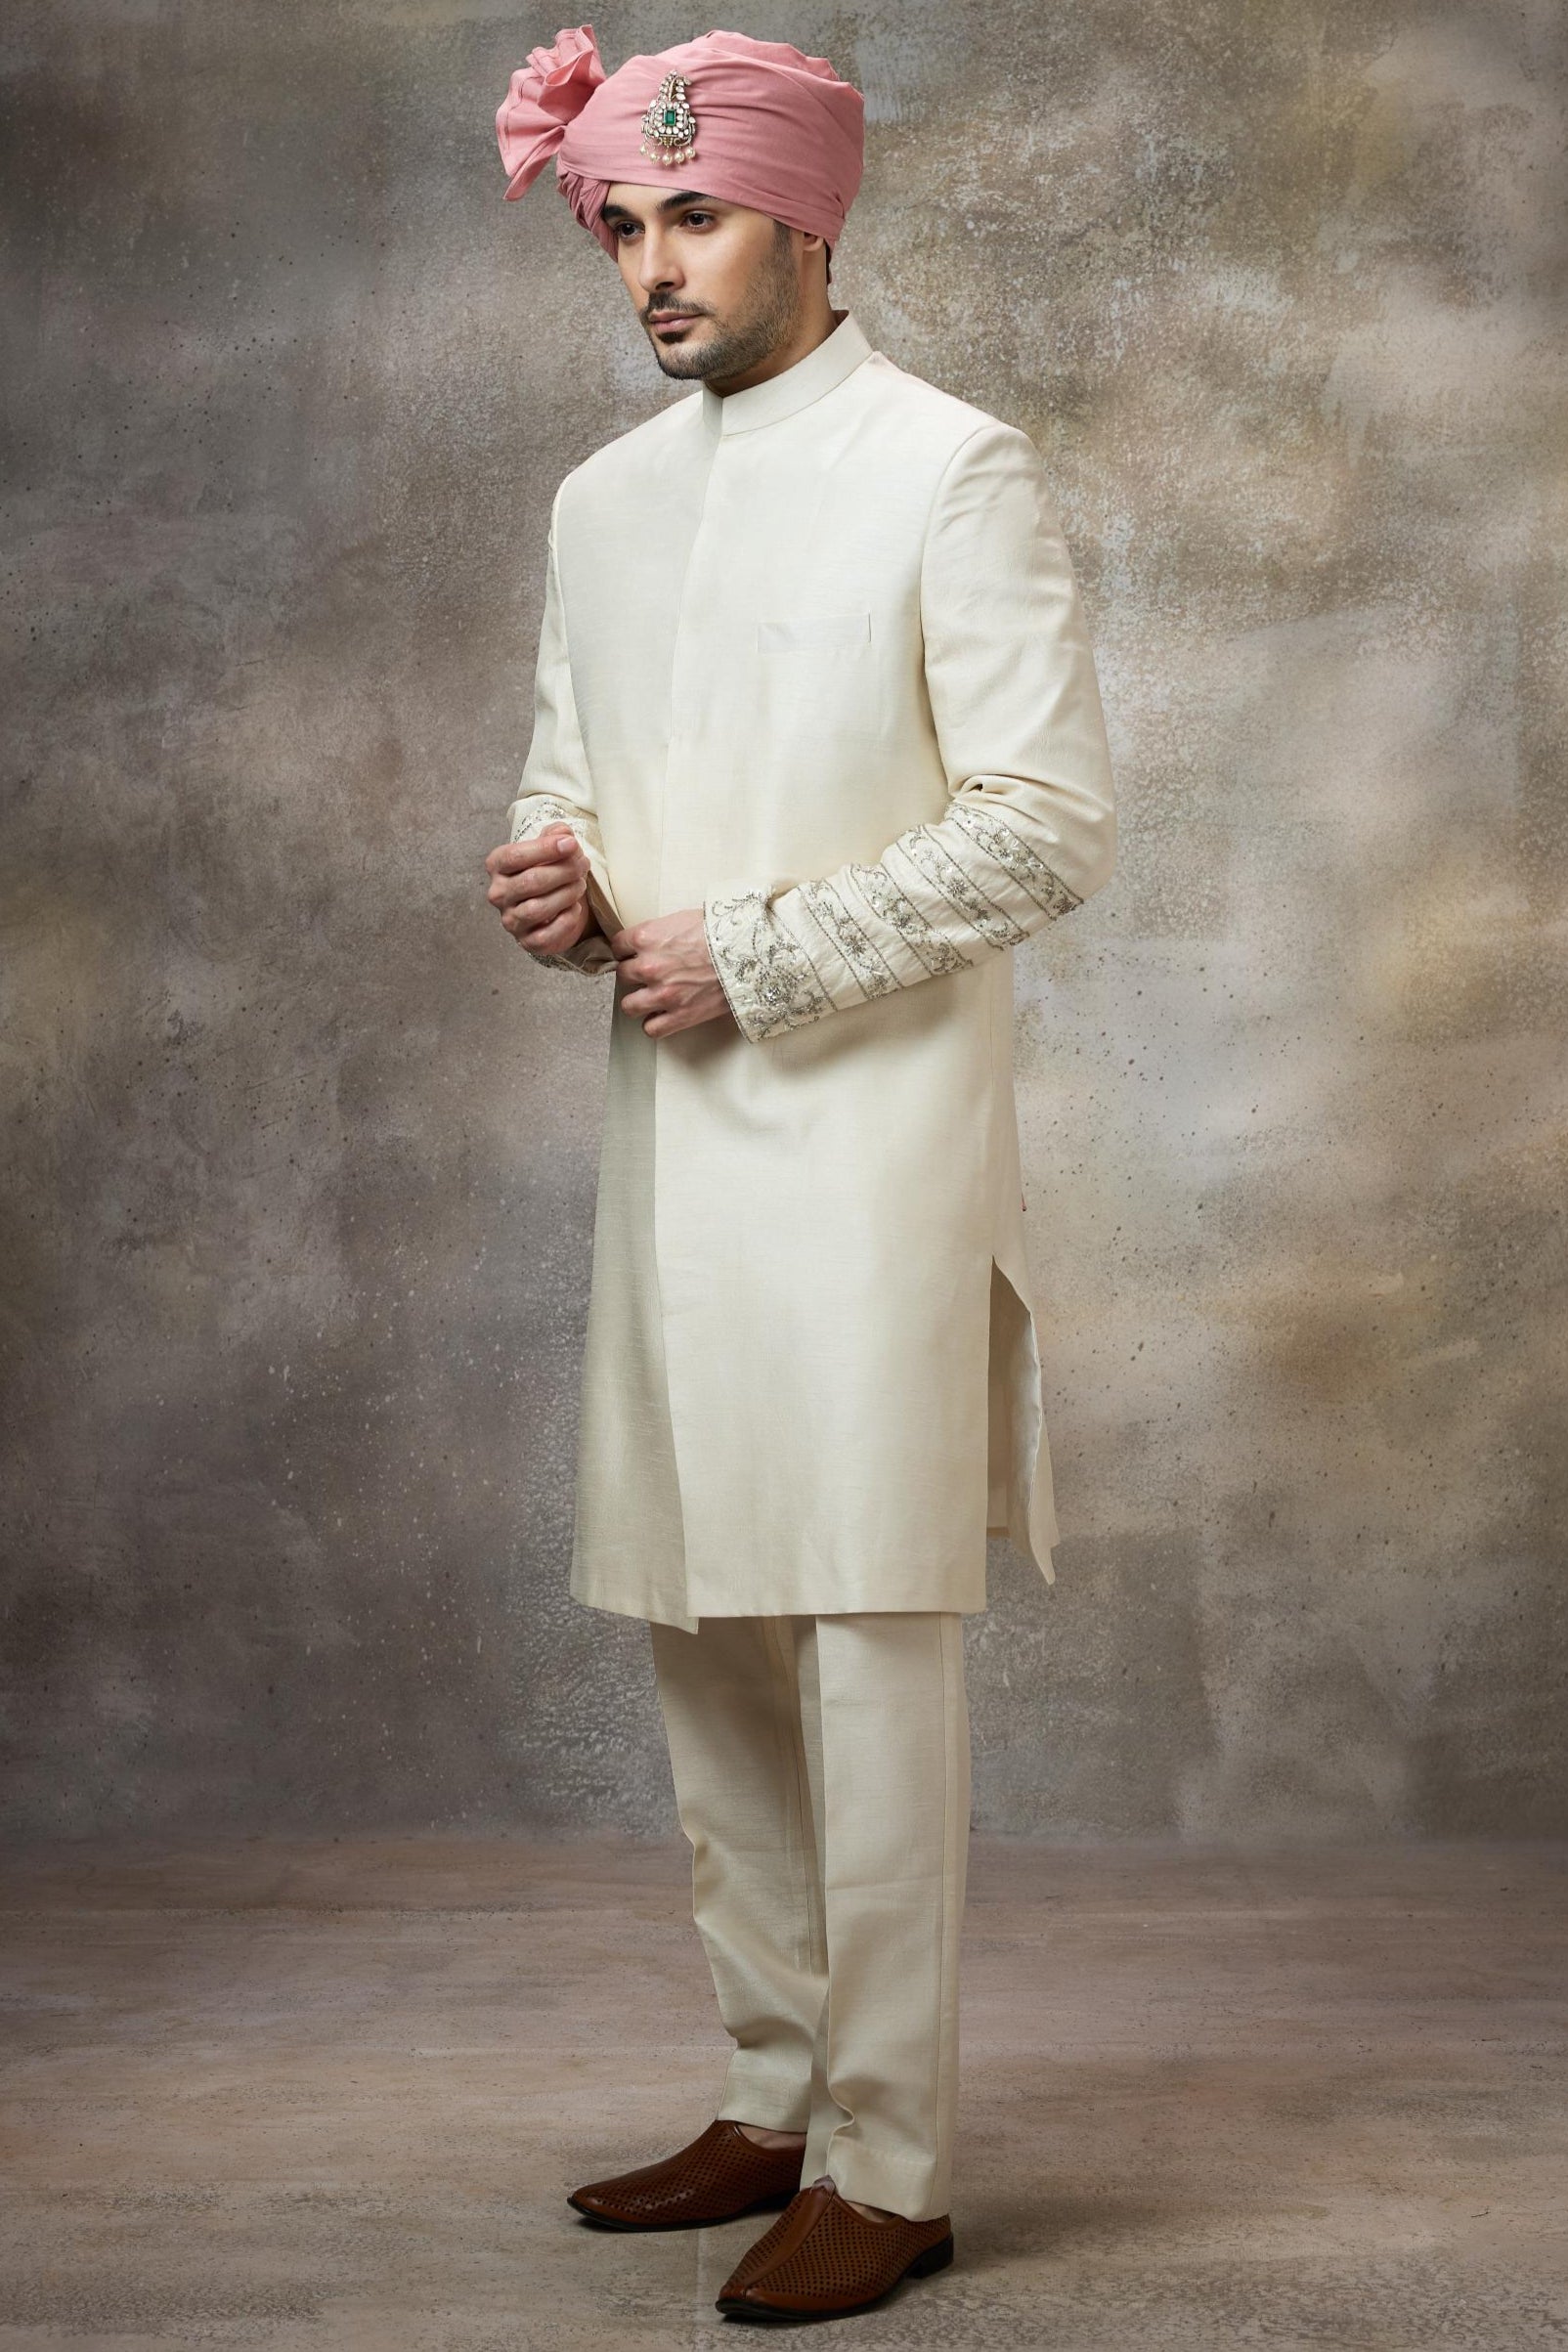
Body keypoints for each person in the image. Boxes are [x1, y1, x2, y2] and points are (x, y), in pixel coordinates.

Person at [483, 24, 1116, 2326]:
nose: (653, 266)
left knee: (857, 1644)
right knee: (705, 1625)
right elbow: (570, 775)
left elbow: (1044, 824)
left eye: (697, 216)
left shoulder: (949, 468)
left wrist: (751, 950)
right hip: (677, 1152)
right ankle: (768, 2093)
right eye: (624, 226)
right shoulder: (599, 500)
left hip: (867, 1162)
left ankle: (892, 2157)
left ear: (808, 219)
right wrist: (557, 880)